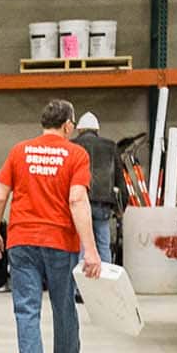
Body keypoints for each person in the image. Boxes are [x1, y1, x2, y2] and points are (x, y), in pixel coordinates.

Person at [0, 98, 102, 353]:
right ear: (67, 125)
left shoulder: (19, 151)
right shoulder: (76, 154)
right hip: (59, 243)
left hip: (21, 240)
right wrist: (91, 250)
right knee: (63, 305)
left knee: (26, 310)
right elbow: (77, 201)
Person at [71, 111, 124, 264]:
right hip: (103, 204)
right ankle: (104, 284)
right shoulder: (110, 146)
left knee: (81, 246)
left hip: (79, 202)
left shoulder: (72, 146)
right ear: (97, 130)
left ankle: (81, 286)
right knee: (103, 245)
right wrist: (120, 207)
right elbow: (119, 178)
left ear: (79, 130)